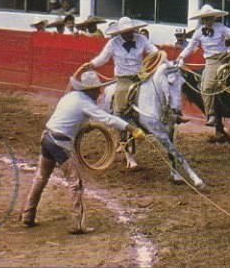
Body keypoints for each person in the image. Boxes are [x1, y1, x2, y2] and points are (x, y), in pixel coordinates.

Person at [20, 70, 145, 234]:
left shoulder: (69, 97)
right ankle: (77, 224)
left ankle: (27, 215)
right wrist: (131, 128)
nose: (100, 92)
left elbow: (69, 119)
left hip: (47, 138)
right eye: (97, 89)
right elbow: (108, 119)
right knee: (75, 183)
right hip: (60, 144)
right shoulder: (86, 103)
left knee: (41, 177)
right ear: (90, 90)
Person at [81, 16, 159, 143]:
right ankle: (122, 138)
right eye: (125, 32)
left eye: (130, 31)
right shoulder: (113, 43)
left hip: (140, 77)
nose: (128, 34)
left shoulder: (141, 39)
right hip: (124, 80)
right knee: (119, 109)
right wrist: (92, 64)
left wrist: (158, 55)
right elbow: (103, 57)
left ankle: (169, 117)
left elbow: (153, 50)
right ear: (120, 32)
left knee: (158, 92)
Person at [176, 4, 230, 126]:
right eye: (205, 19)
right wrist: (181, 56)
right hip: (212, 61)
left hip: (226, 56)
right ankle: (211, 114)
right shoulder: (198, 32)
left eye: (210, 18)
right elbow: (190, 47)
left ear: (214, 18)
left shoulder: (221, 28)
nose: (208, 21)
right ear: (202, 20)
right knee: (206, 88)